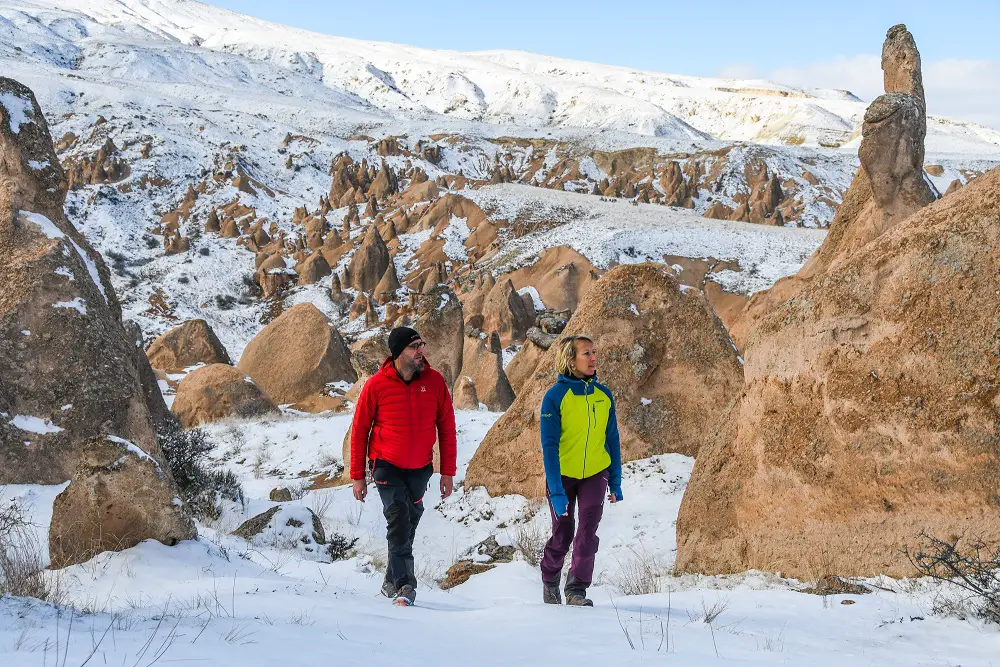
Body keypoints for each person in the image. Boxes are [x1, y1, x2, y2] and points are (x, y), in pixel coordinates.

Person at [350, 326, 457, 606]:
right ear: (398, 353)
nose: (420, 351)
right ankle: (405, 585)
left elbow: (446, 428)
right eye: (414, 347)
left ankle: (389, 578)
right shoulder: (376, 385)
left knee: (408, 521)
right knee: (398, 516)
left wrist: (448, 472)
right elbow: (360, 430)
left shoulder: (434, 383)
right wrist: (357, 476)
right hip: (386, 464)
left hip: (420, 468)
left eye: (421, 345)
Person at [538, 334, 623, 606]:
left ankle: (576, 590)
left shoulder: (603, 395)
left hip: (596, 474)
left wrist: (616, 482)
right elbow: (549, 447)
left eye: (594, 352)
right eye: (586, 353)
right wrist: (557, 491)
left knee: (587, 533)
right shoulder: (555, 397)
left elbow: (612, 440)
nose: (593, 358)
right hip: (562, 475)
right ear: (570, 361)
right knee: (563, 532)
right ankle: (550, 579)